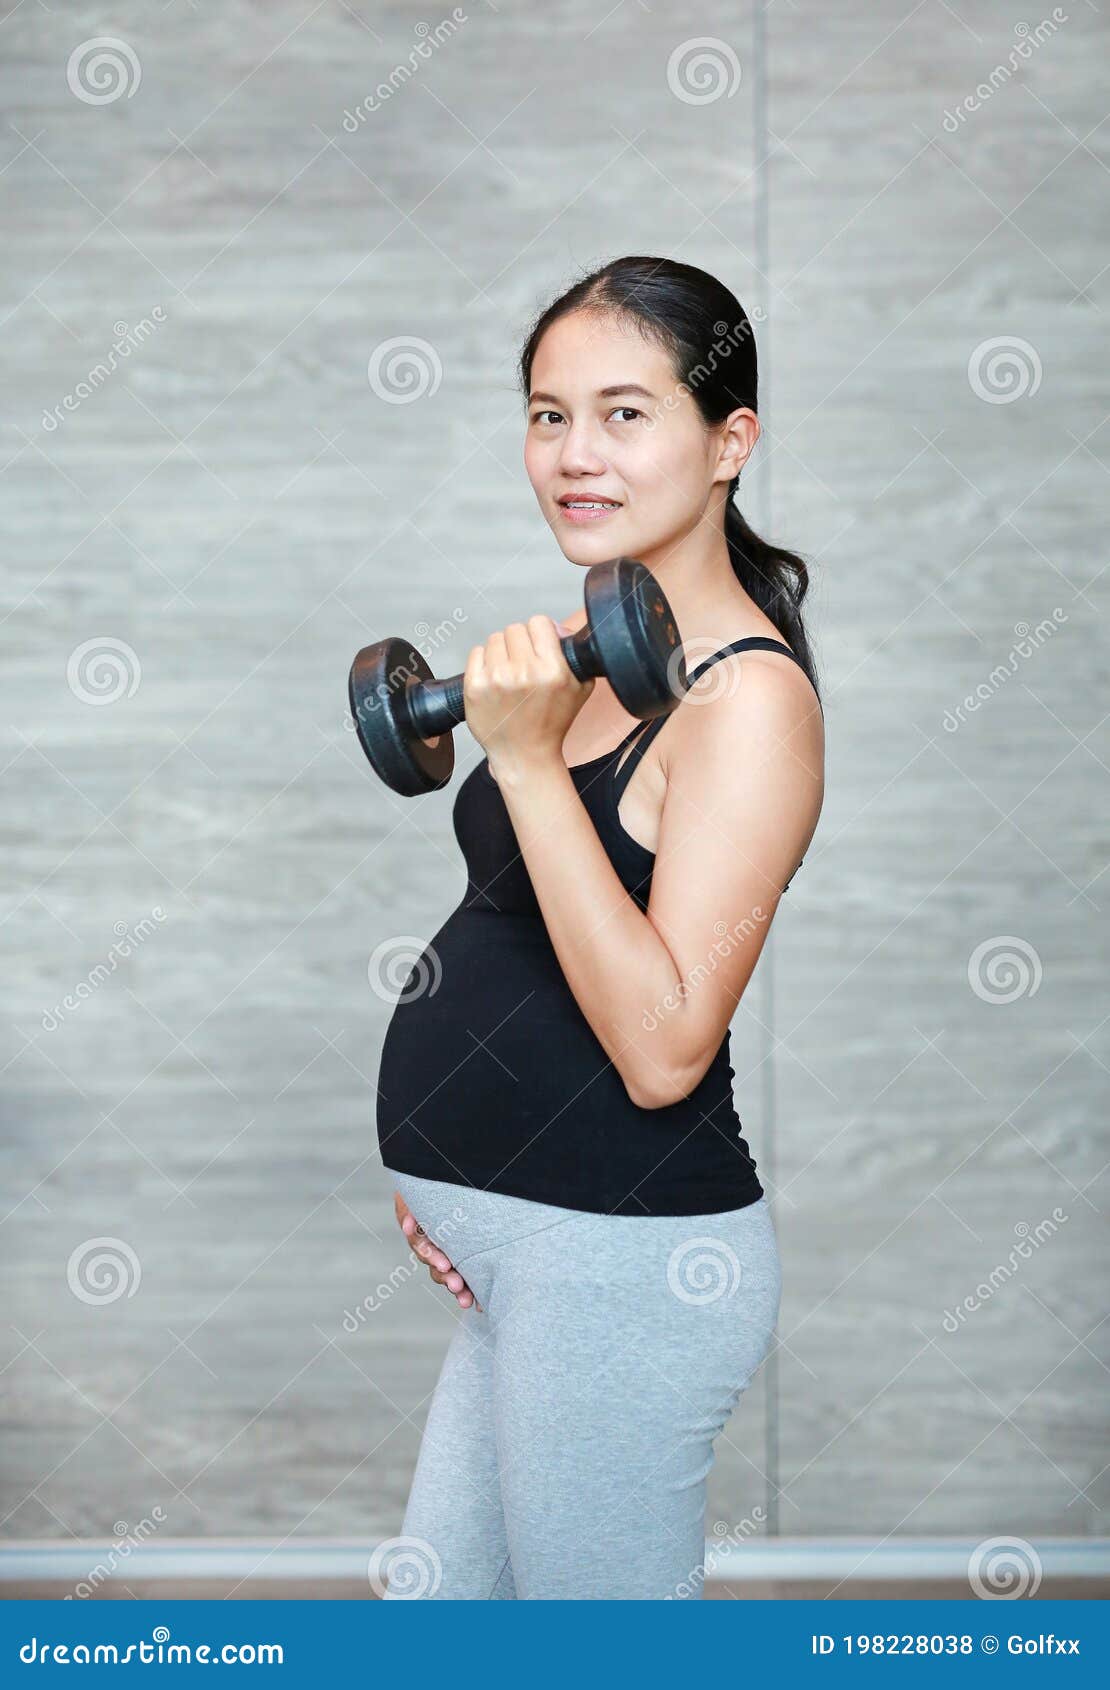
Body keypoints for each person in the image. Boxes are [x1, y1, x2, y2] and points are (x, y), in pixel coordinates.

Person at [374, 255, 825, 1600]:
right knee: (435, 1645)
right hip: (532, 1246)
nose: (574, 454)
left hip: (624, 1260)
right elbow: (520, 929)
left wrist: (516, 760)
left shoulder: (748, 701)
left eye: (625, 413)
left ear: (727, 439)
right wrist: (467, 1172)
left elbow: (663, 1045)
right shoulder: (586, 644)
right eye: (546, 413)